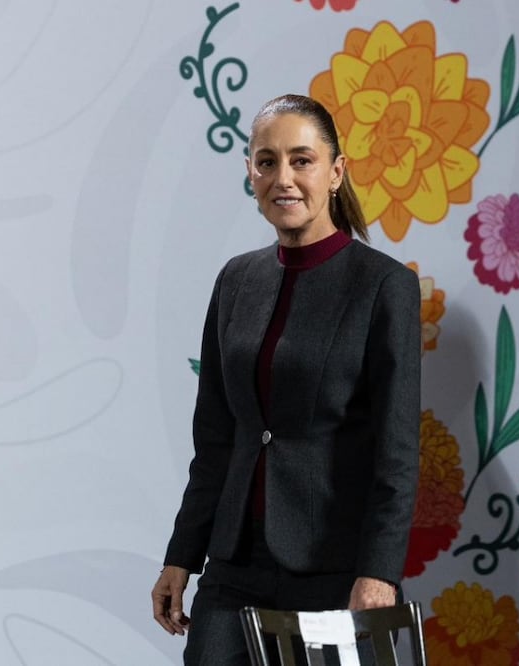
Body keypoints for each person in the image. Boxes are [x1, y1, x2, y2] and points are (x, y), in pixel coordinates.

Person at [150, 94, 421, 664]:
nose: (284, 177)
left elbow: (396, 453)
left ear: (335, 172)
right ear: (250, 172)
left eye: (302, 160)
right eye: (266, 161)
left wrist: (379, 573)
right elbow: (218, 440)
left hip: (335, 567)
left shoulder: (383, 285)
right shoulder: (235, 280)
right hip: (234, 564)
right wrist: (183, 555)